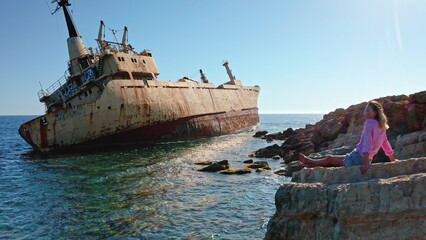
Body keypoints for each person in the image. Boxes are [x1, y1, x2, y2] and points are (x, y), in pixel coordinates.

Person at [299, 100, 397, 174]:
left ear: (375, 113)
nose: (365, 113)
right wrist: (392, 159)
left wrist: (366, 164)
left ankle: (310, 162)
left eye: (367, 110)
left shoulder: (369, 123)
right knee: (333, 162)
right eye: (365, 110)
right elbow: (385, 143)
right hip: (365, 158)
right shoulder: (382, 126)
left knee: (330, 159)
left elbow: (367, 144)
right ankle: (309, 165)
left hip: (358, 157)